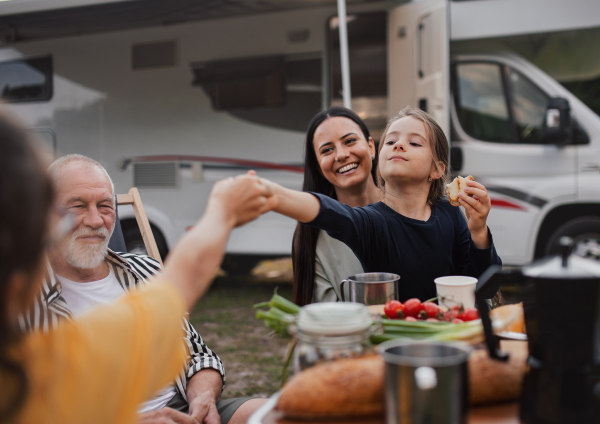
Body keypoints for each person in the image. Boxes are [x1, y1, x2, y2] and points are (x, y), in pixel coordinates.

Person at [0, 109, 274, 423]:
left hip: (181, 407)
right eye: (76, 208)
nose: (94, 221)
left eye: (105, 206)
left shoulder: (143, 269)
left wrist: (203, 397)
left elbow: (197, 353)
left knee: (279, 414)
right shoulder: (28, 311)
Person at [265, 106, 502, 302]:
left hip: (450, 340)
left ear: (437, 169)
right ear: (380, 158)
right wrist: (274, 194)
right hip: (399, 345)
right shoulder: (372, 221)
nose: (398, 145)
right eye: (390, 142)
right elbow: (331, 214)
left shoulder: (450, 213)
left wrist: (479, 230)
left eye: (415, 143)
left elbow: (485, 287)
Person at [292, 107, 381, 305]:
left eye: (349, 141)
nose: (341, 155)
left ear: (371, 147)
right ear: (318, 166)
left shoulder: (409, 208)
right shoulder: (313, 236)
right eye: (327, 150)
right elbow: (327, 319)